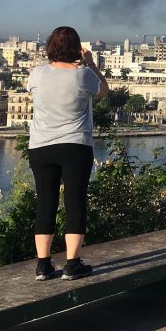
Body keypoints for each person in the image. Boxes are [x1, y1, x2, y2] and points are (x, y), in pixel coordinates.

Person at [27, 26, 108, 281]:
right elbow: (103, 90)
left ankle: (43, 264)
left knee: (45, 203)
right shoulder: (83, 75)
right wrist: (91, 63)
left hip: (41, 146)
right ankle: (72, 263)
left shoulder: (37, 74)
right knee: (74, 203)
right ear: (76, 48)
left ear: (50, 46)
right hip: (75, 145)